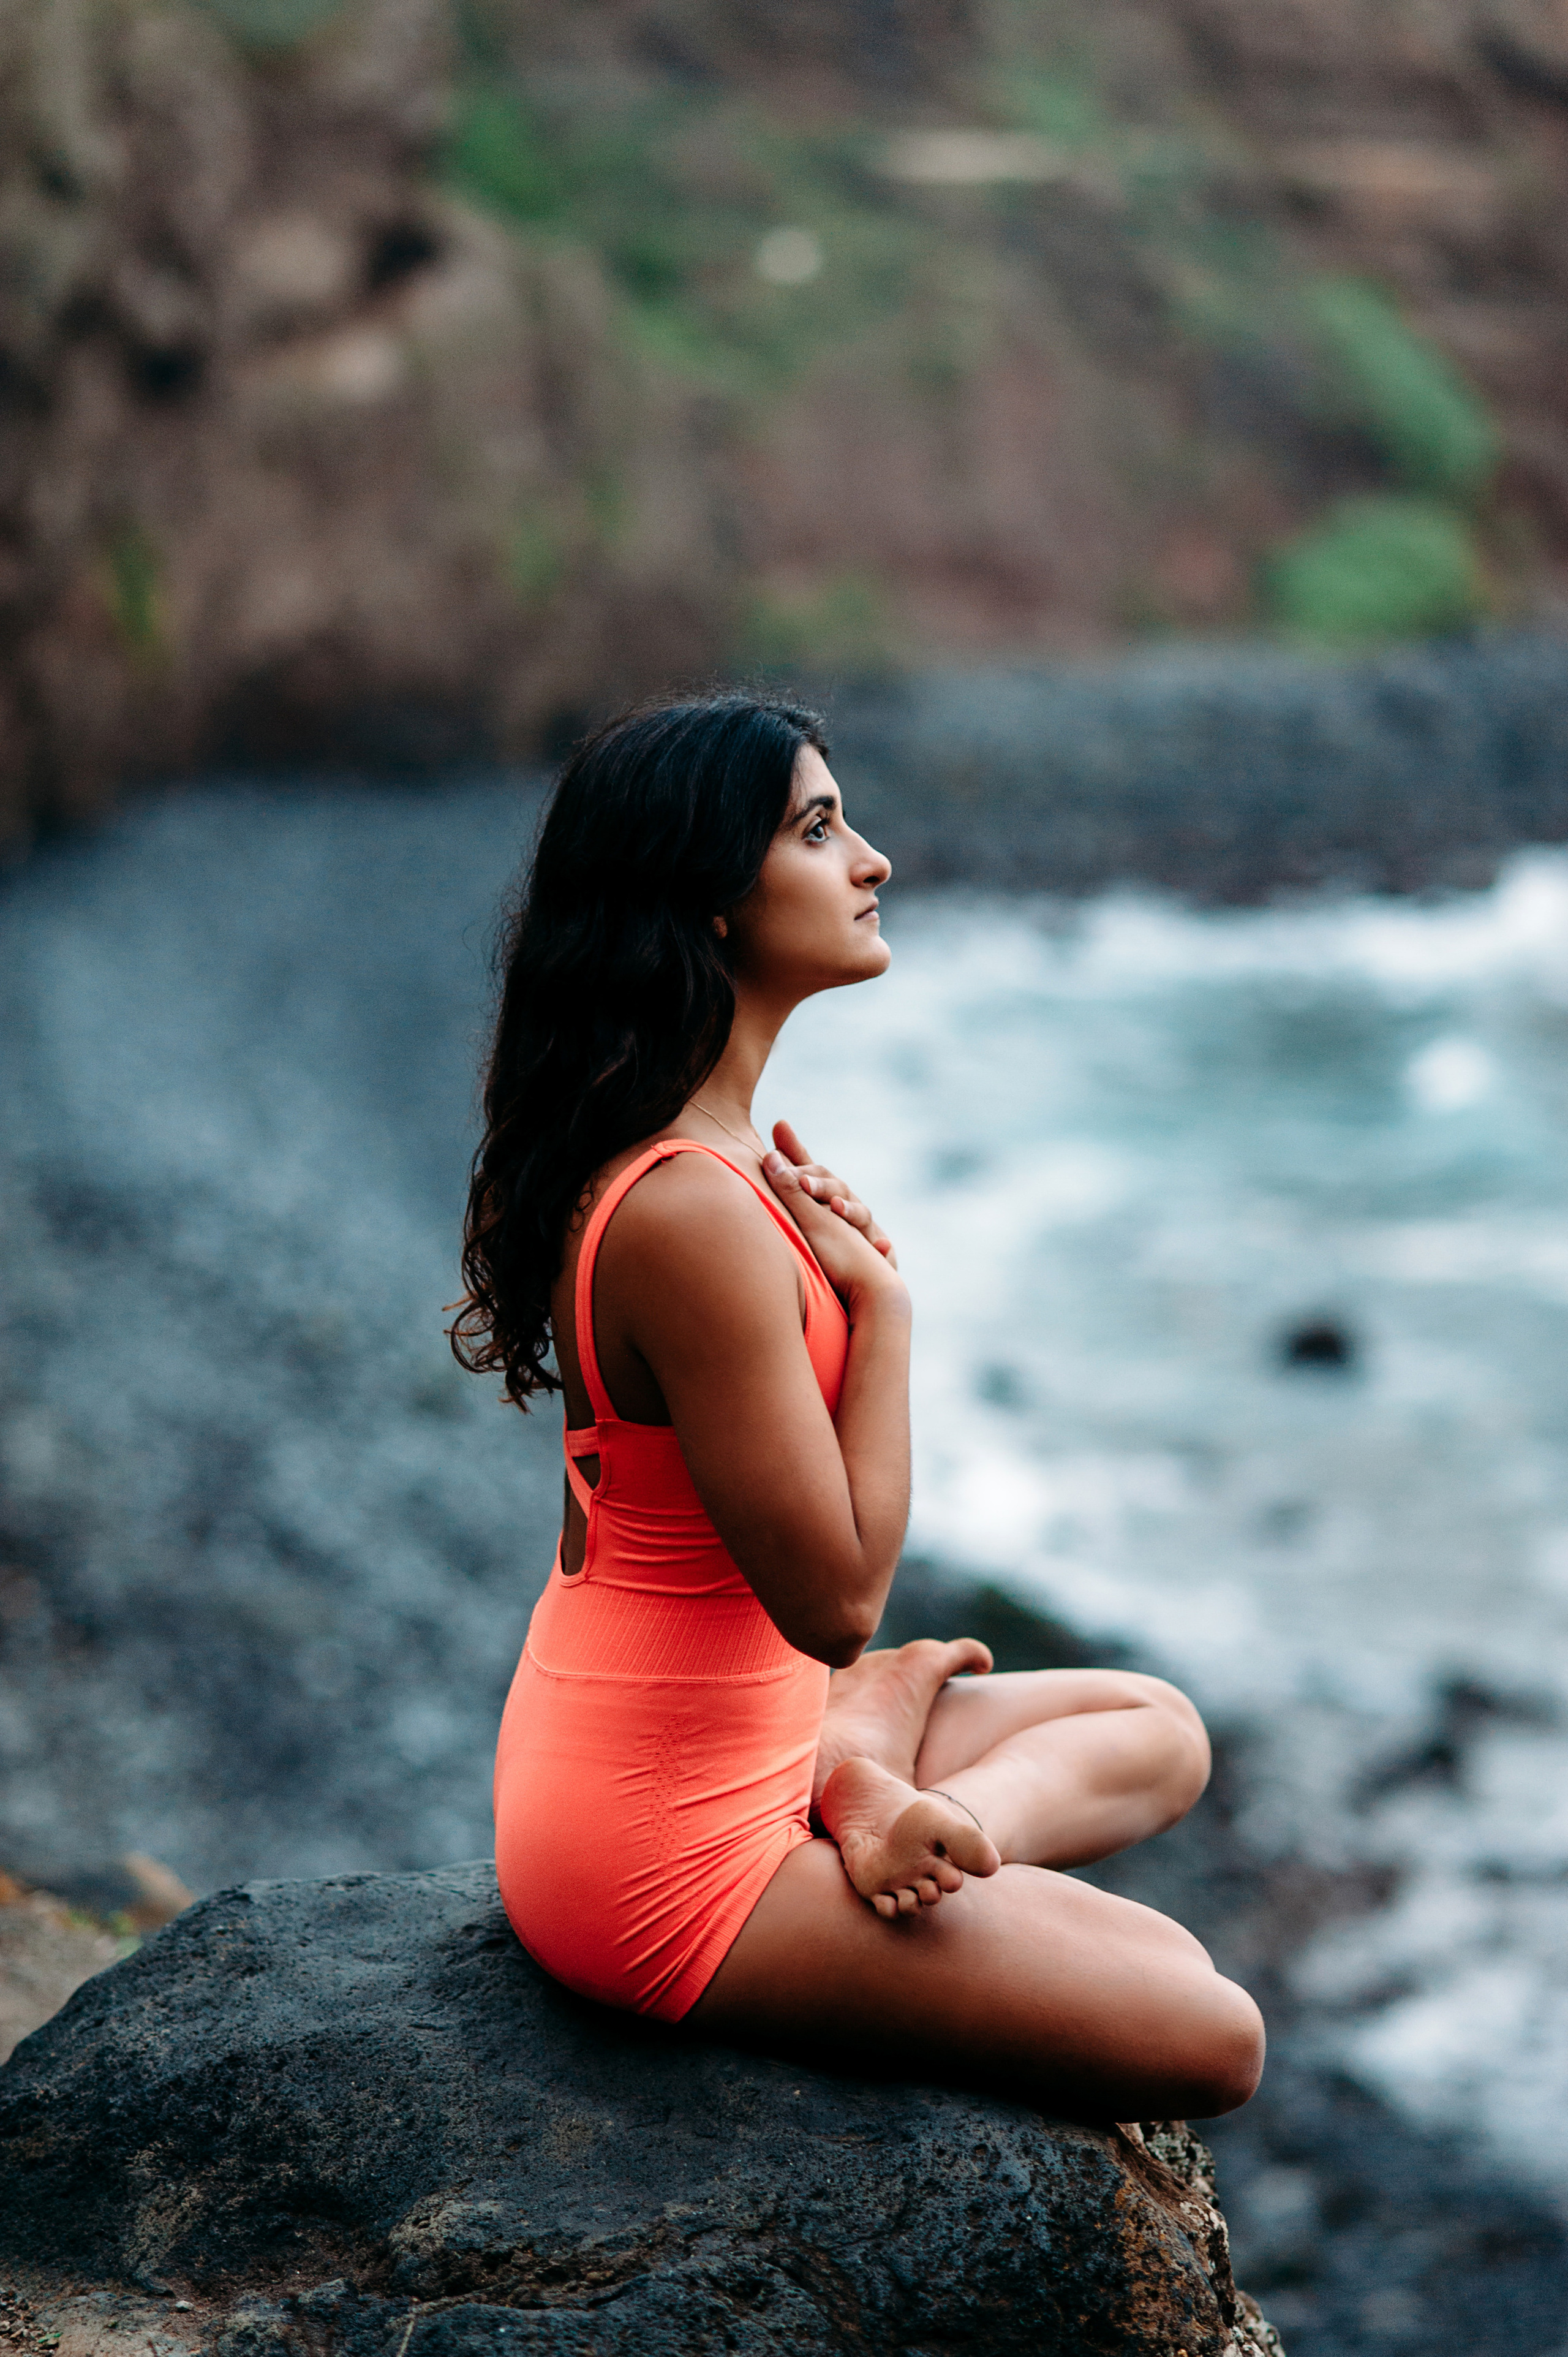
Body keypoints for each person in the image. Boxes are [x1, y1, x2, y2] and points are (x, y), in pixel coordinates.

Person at [452, 690, 1264, 2121]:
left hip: (739, 1728)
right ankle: (861, 1775)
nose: (870, 859)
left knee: (1160, 1727)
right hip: (659, 1842)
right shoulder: (689, 1210)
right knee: (1209, 2025)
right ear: (708, 899)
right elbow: (834, 1600)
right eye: (818, 830)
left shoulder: (703, 1165)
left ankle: (882, 1792)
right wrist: (883, 1318)